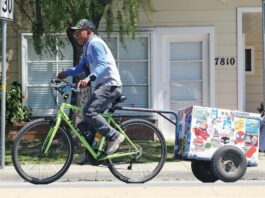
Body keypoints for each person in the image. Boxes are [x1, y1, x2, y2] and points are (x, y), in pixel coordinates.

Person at [57, 19, 124, 163]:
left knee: (89, 112)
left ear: (88, 31)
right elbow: (80, 67)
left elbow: (102, 65)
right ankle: (91, 155)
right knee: (84, 124)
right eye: (74, 33)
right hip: (102, 86)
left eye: (78, 32)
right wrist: (67, 73)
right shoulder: (87, 47)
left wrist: (89, 78)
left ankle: (114, 136)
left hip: (110, 85)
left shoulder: (96, 44)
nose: (75, 35)